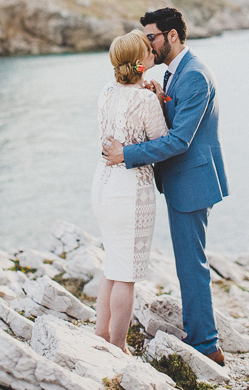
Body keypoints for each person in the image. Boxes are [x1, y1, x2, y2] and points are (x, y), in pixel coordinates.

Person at [102, 7, 229, 365]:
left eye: (152, 37)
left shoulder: (195, 76)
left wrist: (125, 154)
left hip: (192, 181)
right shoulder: (177, 74)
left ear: (172, 36)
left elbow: (179, 141)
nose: (148, 45)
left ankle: (207, 346)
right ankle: (201, 338)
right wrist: (160, 99)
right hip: (181, 180)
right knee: (188, 263)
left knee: (192, 265)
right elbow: (178, 122)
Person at [91, 29, 168, 352]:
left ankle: (100, 333)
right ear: (141, 61)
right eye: (148, 49)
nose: (153, 51)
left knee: (113, 263)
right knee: (127, 274)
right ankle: (118, 345)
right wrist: (160, 99)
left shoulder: (107, 91)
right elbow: (163, 141)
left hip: (102, 185)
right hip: (130, 192)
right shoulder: (145, 100)